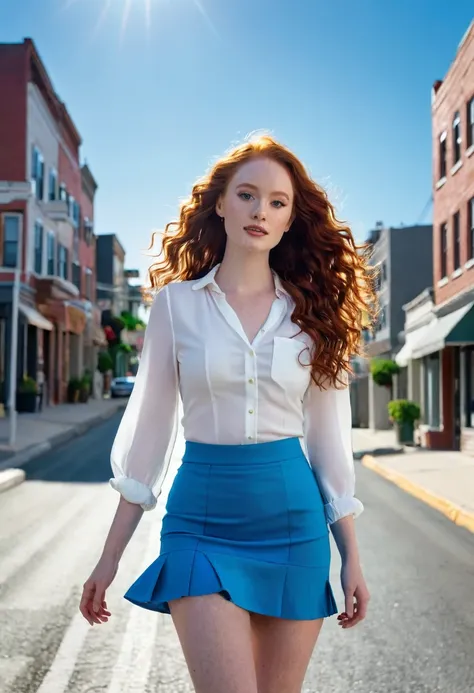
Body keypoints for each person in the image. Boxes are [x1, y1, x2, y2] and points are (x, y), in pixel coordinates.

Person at [80, 134, 375, 693]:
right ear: (220, 203)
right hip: (201, 523)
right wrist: (108, 558)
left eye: (277, 202)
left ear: (290, 219)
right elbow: (149, 440)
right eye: (246, 194)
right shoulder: (175, 305)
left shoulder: (313, 316)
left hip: (294, 526)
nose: (260, 210)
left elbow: (330, 447)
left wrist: (351, 558)